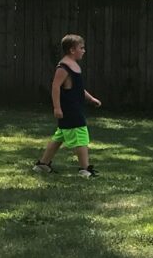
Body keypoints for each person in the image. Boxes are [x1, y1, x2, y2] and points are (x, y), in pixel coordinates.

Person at [33, 34, 102, 177]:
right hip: (70, 109)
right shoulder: (63, 67)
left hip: (75, 107)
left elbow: (78, 88)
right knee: (81, 135)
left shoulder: (74, 66)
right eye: (81, 48)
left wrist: (91, 98)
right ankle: (85, 169)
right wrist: (57, 107)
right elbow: (55, 87)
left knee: (59, 137)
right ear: (72, 50)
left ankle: (42, 165)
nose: (84, 51)